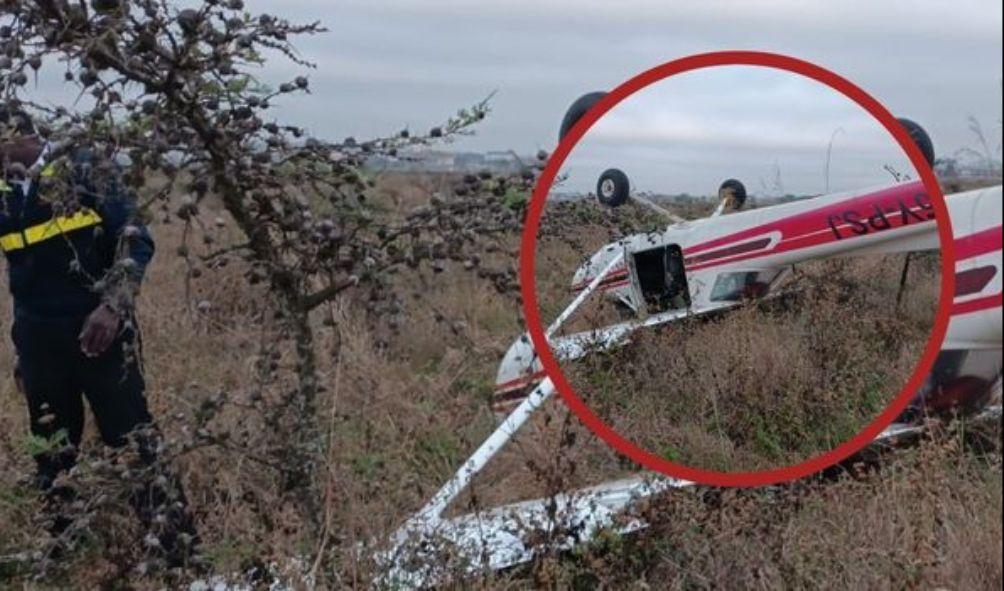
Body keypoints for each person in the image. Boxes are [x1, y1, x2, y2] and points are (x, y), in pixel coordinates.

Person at [0, 105, 196, 565]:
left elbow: (136, 240)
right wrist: (21, 349)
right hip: (39, 342)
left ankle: (178, 558)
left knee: (133, 443)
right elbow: (19, 271)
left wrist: (113, 306)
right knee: (51, 451)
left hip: (101, 338)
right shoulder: (5, 191)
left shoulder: (85, 168)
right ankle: (62, 555)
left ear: (15, 135)